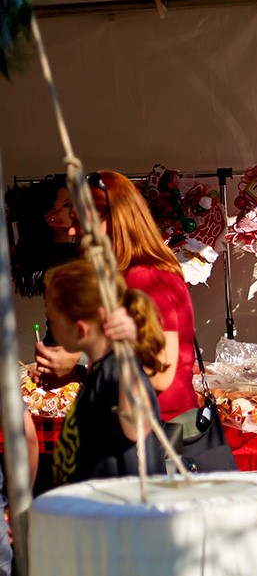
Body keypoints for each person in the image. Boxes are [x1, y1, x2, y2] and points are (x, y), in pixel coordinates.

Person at [32, 172, 198, 422]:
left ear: (115, 220)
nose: (74, 231)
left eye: (83, 222)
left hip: (162, 437)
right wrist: (71, 369)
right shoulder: (123, 277)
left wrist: (78, 363)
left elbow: (157, 373)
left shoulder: (144, 278)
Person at [44, 259, 168, 486]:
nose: (51, 328)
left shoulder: (117, 370)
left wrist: (129, 352)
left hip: (118, 515)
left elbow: (137, 425)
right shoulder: (101, 370)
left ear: (80, 329)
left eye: (52, 321)